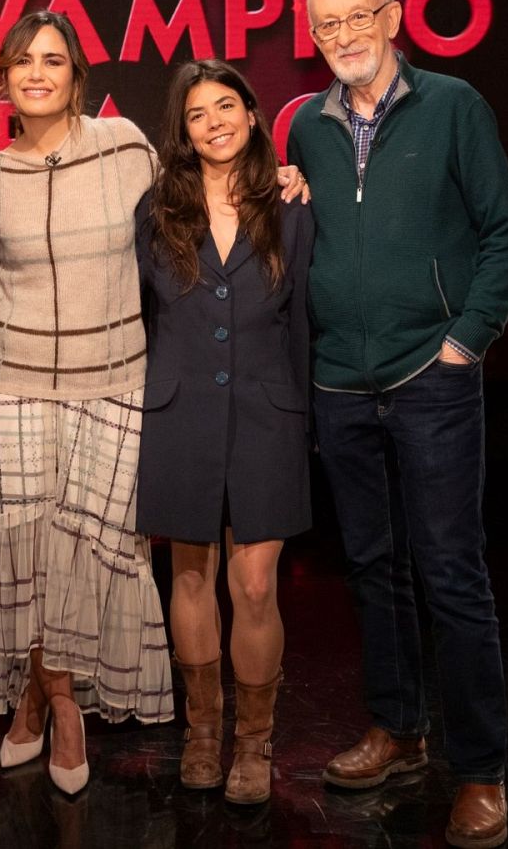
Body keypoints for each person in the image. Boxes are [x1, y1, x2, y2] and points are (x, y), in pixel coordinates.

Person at [289, 0, 508, 849]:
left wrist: (463, 344)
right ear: (311, 37)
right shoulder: (308, 130)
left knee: (451, 576)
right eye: (327, 26)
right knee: (371, 568)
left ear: (393, 16)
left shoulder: (455, 106)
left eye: (359, 18)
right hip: (337, 385)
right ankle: (397, 729)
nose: (345, 37)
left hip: (432, 378)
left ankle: (480, 769)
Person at [0, 10, 172, 797]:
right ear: (4, 78)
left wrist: (282, 181)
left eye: (54, 60)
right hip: (14, 381)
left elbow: (199, 207)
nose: (37, 72)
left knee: (87, 552)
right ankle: (61, 703)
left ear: (78, 74)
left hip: (115, 379)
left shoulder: (127, 147)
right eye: (22, 61)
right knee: (32, 555)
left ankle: (45, 699)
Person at [133, 59, 312, 806]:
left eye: (227, 105)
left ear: (251, 112)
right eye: (198, 112)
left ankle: (255, 743)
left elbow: (303, 314)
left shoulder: (294, 203)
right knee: (193, 576)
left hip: (269, 413)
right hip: (180, 414)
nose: (215, 121)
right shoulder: (155, 211)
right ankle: (203, 733)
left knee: (256, 581)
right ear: (182, 129)